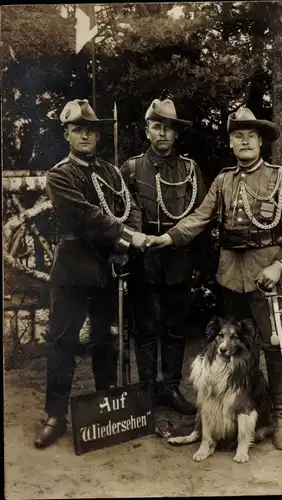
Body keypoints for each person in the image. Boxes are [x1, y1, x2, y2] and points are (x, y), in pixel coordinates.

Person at [146, 107, 282, 449]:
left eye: (251, 135)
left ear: (261, 142)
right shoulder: (223, 180)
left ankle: (280, 415)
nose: (245, 141)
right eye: (238, 136)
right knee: (234, 348)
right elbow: (200, 217)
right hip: (230, 276)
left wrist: (279, 265)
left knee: (274, 345)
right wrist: (168, 237)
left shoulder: (279, 177)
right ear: (232, 143)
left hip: (266, 276)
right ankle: (237, 412)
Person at [34, 99, 147, 449]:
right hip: (73, 268)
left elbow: (133, 211)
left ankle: (106, 409)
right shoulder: (60, 175)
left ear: (98, 136)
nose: (85, 135)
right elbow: (85, 216)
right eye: (78, 129)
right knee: (62, 341)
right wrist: (127, 237)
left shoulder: (112, 174)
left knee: (107, 339)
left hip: (109, 268)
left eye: (91, 130)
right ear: (66, 133)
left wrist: (120, 250)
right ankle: (55, 415)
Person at [120, 98, 207, 415]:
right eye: (157, 126)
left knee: (174, 327)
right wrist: (130, 252)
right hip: (144, 259)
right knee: (145, 327)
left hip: (178, 257)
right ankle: (145, 392)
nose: (163, 134)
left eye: (169, 128)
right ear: (147, 130)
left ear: (176, 134)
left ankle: (170, 388)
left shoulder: (191, 170)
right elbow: (121, 215)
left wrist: (198, 263)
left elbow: (201, 216)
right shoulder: (130, 169)